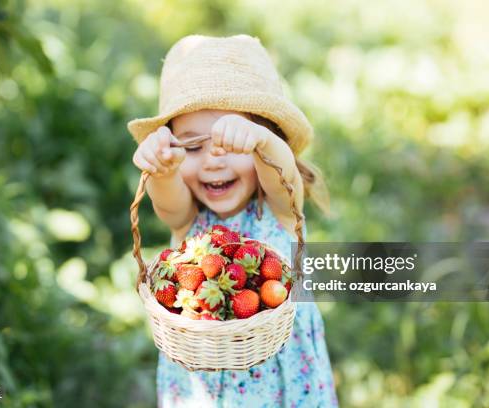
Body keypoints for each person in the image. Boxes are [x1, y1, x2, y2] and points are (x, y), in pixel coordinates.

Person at [129, 34, 338, 408]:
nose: (212, 161)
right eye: (193, 146)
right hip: (201, 387)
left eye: (232, 144)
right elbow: (167, 203)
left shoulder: (279, 209)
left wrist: (261, 141)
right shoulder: (189, 224)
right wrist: (160, 170)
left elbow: (283, 174)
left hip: (283, 384)